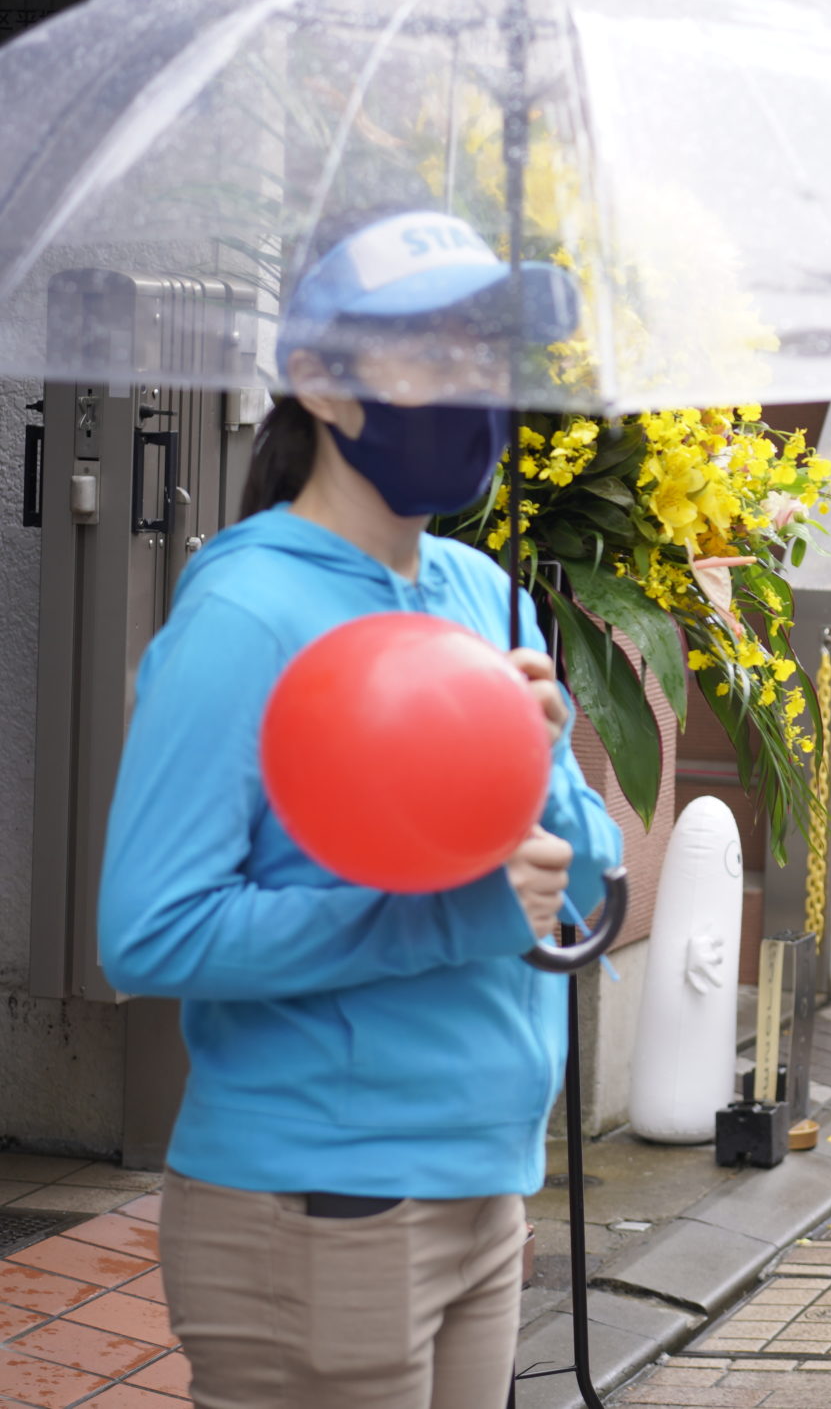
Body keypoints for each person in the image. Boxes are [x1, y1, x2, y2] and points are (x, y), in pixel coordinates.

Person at [95, 208, 623, 1409]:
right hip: (318, 1207)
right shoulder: (246, 616)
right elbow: (151, 932)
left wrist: (545, 758)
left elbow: (579, 884)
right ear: (321, 382)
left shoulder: (482, 592)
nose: (475, 391)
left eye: (491, 356)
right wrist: (452, 914)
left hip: (483, 1192)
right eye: (433, 352)